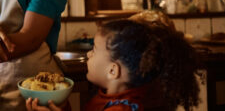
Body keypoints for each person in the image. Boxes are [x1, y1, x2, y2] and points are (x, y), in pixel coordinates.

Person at [26, 19, 200, 111]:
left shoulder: (122, 108)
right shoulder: (108, 97)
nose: (88, 54)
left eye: (94, 50)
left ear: (112, 70)